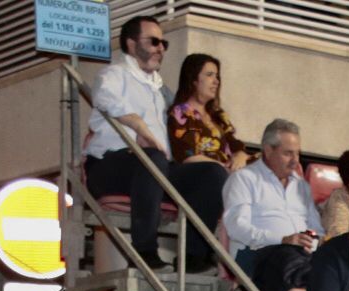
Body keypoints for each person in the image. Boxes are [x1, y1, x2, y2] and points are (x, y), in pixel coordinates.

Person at [84, 16, 187, 269]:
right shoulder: (114, 74)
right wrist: (138, 125)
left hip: (154, 167)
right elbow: (104, 97)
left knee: (208, 174)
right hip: (111, 166)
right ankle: (144, 250)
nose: (160, 48)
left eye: (163, 43)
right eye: (153, 42)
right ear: (131, 44)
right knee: (152, 157)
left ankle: (197, 257)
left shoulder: (161, 89)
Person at [166, 53, 250, 269]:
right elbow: (185, 154)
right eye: (210, 75)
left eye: (218, 76)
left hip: (222, 172)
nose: (216, 81)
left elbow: (236, 144)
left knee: (262, 170)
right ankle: (193, 255)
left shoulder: (219, 116)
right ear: (194, 79)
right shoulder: (180, 112)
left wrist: (240, 157)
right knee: (214, 175)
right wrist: (221, 167)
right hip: (193, 173)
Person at [221, 118, 322, 291]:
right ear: (268, 150)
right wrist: (282, 239)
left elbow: (317, 230)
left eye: (297, 154)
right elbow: (236, 227)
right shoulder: (244, 179)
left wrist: (312, 241)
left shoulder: (302, 187)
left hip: (300, 257)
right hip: (256, 255)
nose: (295, 161)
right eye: (288, 154)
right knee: (288, 257)